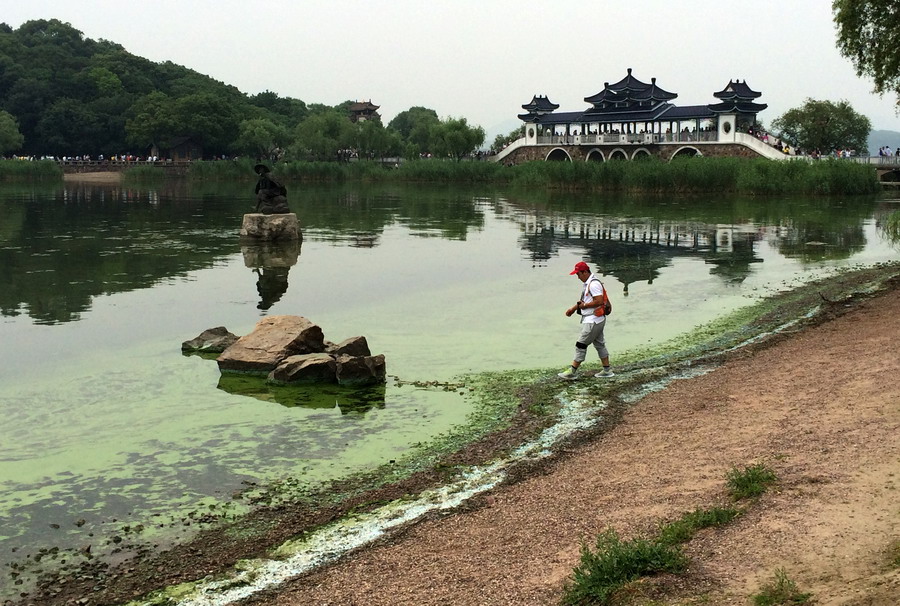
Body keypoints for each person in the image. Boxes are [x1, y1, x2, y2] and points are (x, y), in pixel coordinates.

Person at [558, 261, 613, 380]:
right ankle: (607, 370)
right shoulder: (590, 283)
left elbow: (598, 301)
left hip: (593, 320)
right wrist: (573, 309)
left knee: (581, 344)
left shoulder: (593, 284)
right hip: (598, 319)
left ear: (585, 272)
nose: (578, 277)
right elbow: (585, 301)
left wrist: (585, 306)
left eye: (579, 274)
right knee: (599, 344)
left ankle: (572, 371)